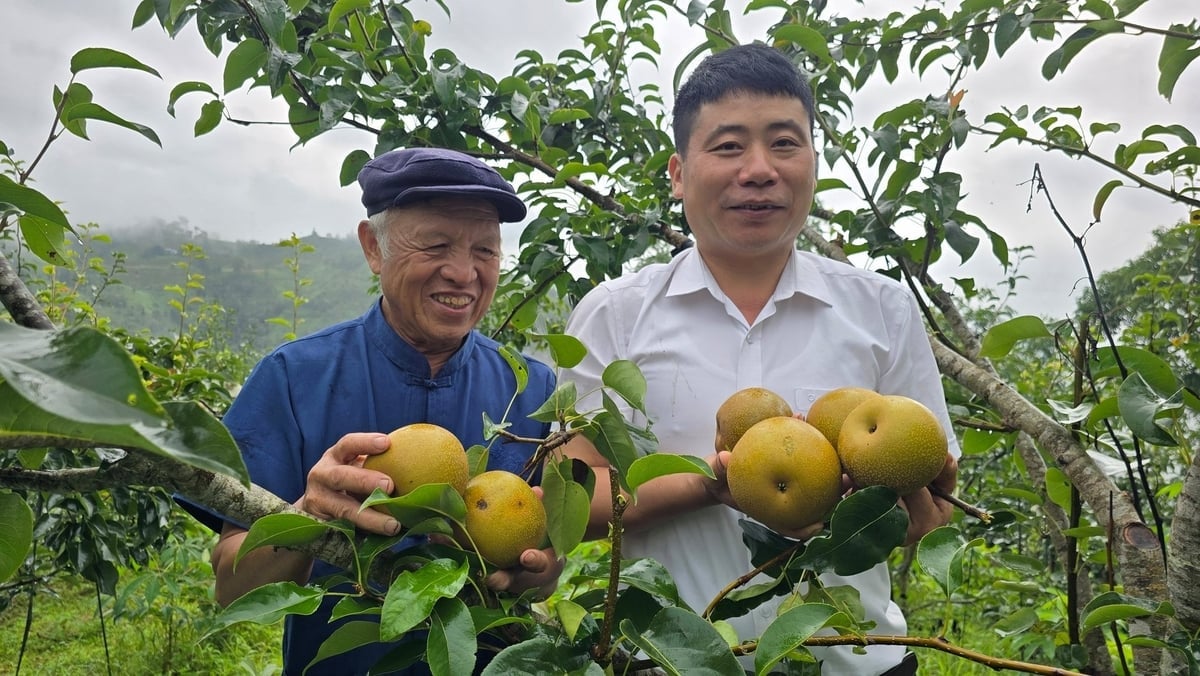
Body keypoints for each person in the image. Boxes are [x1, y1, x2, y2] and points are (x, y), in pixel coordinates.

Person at [559, 43, 959, 676]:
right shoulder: (615, 314)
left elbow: (926, 509)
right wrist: (708, 485)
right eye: (726, 147)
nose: (759, 169)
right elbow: (569, 503)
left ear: (813, 163)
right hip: (665, 662)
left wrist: (849, 517)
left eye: (783, 143)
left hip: (853, 662)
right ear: (678, 173)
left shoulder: (882, 309)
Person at [207, 147, 563, 675]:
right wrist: (307, 517)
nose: (464, 272)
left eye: (485, 250)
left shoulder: (531, 387)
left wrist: (538, 570)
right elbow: (233, 587)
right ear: (374, 248)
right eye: (437, 244)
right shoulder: (292, 378)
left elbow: (545, 562)